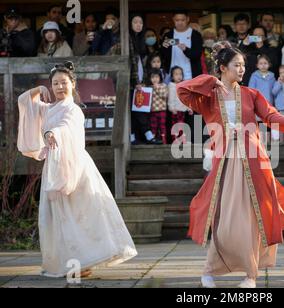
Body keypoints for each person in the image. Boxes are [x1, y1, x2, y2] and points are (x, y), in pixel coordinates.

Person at [176, 44, 284, 288]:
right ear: (223, 68)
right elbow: (183, 90)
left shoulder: (251, 94)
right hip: (225, 163)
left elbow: (272, 117)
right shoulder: (209, 96)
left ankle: (250, 275)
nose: (242, 69)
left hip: (253, 161)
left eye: (243, 65)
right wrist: (210, 81)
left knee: (252, 218)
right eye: (237, 65)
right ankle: (210, 270)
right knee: (224, 220)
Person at [16, 61, 138, 278]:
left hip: (76, 167)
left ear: (73, 84)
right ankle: (70, 262)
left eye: (64, 82)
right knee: (58, 216)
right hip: (54, 166)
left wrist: (51, 134)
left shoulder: (73, 109)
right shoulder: (48, 108)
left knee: (80, 214)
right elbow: (23, 102)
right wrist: (38, 89)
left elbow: (65, 127)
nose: (59, 87)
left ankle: (85, 260)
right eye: (55, 84)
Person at [160, 10, 203, 81]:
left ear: (187, 19)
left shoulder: (195, 35)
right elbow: (164, 56)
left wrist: (186, 49)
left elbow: (197, 54)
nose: (180, 23)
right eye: (177, 20)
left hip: (190, 76)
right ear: (173, 20)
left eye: (182, 20)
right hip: (172, 76)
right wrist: (164, 47)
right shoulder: (168, 35)